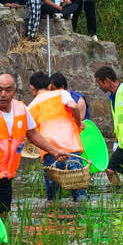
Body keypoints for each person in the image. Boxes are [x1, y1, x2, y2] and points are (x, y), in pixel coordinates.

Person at [0, 74, 68, 214]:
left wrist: (54, 151)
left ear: (14, 92)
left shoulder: (21, 109)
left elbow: (33, 134)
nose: (3, 94)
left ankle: (2, 236)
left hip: (6, 174)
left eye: (7, 90)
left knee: (4, 214)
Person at [27, 71, 88, 201]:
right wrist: (78, 122)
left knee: (54, 201)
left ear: (32, 88)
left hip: (51, 154)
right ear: (49, 85)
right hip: (72, 152)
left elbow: (29, 135)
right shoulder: (62, 94)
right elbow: (74, 107)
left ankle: (55, 221)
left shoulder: (30, 107)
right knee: (80, 197)